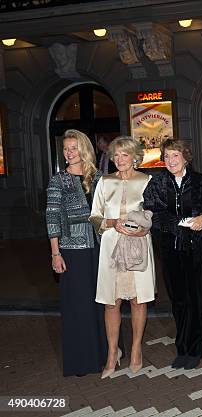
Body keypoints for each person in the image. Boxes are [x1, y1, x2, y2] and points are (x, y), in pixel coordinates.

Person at [89, 136, 155, 379]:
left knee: (139, 299)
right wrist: (111, 222)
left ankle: (136, 349)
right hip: (111, 245)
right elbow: (94, 216)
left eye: (125, 155)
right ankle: (112, 352)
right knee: (111, 301)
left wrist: (146, 229)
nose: (120, 159)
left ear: (135, 157)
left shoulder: (147, 181)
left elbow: (155, 214)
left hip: (139, 244)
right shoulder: (105, 182)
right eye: (116, 155)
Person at [144, 139, 202, 370]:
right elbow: (154, 215)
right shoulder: (157, 183)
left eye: (175, 155)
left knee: (196, 297)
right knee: (178, 299)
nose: (170, 160)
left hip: (196, 248)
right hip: (170, 248)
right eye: (167, 156)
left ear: (185, 157)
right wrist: (184, 222)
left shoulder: (200, 180)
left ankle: (196, 347)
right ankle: (182, 347)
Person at [45, 129, 107, 377]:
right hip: (73, 249)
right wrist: (55, 253)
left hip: (100, 248)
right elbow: (51, 217)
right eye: (65, 149)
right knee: (79, 306)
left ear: (84, 150)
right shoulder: (58, 180)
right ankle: (83, 360)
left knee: (102, 303)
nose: (68, 153)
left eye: (73, 148)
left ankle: (106, 353)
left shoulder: (99, 177)